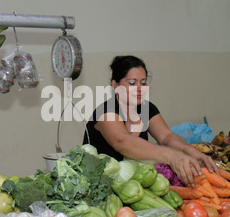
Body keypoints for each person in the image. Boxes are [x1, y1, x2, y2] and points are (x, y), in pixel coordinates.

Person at [83, 55, 218, 186]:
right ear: (115, 85)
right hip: (101, 186)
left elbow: (166, 136)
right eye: (132, 83)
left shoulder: (146, 109)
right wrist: (172, 156)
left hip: (136, 185)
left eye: (143, 83)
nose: (139, 88)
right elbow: (122, 141)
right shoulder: (106, 112)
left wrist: (188, 150)